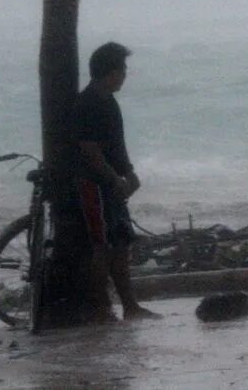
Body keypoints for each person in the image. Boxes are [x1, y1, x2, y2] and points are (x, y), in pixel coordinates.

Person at [72, 42, 160, 321]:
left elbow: (116, 146)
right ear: (109, 72)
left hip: (111, 184)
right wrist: (113, 179)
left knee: (121, 244)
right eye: (122, 70)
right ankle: (101, 308)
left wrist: (130, 174)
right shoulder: (88, 103)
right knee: (101, 247)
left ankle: (130, 306)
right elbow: (90, 148)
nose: (124, 75)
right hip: (94, 185)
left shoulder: (108, 101)